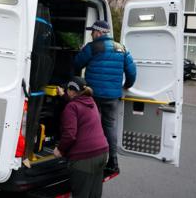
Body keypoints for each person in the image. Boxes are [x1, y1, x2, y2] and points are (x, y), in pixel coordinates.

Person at [74, 20, 136, 175]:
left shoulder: (92, 47)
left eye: (93, 32)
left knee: (88, 125)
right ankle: (113, 161)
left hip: (93, 95)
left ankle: (88, 159)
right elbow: (132, 71)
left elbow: (76, 65)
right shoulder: (122, 49)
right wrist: (127, 85)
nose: (91, 35)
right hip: (112, 97)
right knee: (110, 127)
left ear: (99, 32)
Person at [54, 77, 109, 198]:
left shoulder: (71, 107)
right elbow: (76, 105)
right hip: (102, 153)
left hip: (84, 158)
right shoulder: (91, 101)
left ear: (72, 91)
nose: (66, 91)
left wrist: (60, 149)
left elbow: (70, 135)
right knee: (94, 194)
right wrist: (63, 96)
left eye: (67, 89)